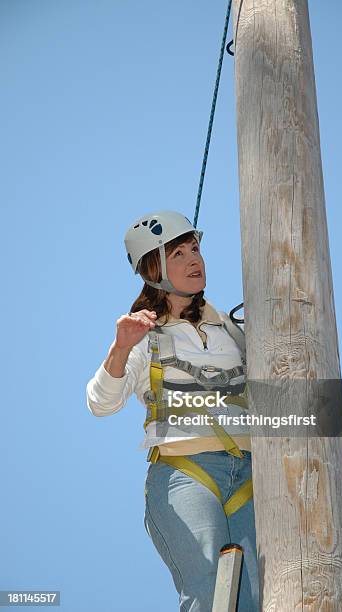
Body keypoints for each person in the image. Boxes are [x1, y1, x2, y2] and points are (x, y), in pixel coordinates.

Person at [86, 210, 260, 611]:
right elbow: (100, 403)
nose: (193, 260)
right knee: (210, 593)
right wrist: (121, 348)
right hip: (185, 474)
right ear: (153, 269)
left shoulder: (233, 330)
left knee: (257, 598)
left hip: (251, 474)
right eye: (177, 254)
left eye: (195, 249)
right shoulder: (143, 335)